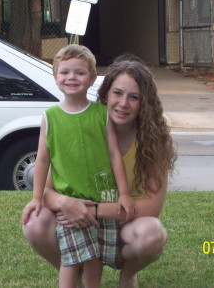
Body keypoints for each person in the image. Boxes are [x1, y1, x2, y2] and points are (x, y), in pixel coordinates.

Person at [22, 55, 176, 287]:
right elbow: (47, 189)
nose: (123, 103)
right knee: (34, 222)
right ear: (105, 94)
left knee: (152, 233)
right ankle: (75, 272)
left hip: (125, 227)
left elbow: (152, 207)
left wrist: (93, 211)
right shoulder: (85, 127)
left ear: (145, 103)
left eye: (134, 97)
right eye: (117, 93)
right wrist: (67, 203)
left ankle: (127, 274)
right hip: (78, 223)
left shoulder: (154, 141)